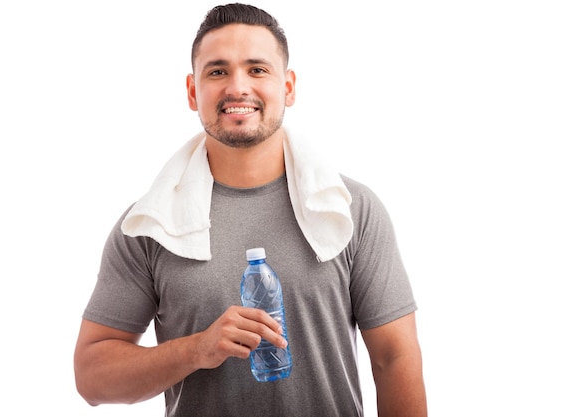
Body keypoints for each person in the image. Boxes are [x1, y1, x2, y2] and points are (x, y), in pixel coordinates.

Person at [73, 3, 427, 416]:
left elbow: (393, 358)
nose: (237, 88)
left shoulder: (352, 210)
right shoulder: (148, 225)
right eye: (217, 71)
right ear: (192, 91)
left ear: (288, 87)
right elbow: (92, 377)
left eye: (257, 69)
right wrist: (195, 349)